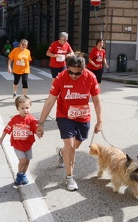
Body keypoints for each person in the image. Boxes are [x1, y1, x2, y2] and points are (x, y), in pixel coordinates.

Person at [36, 54, 103, 191]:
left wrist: (100, 121)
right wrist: (40, 123)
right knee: (71, 147)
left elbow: (97, 100)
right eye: (70, 71)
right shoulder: (61, 77)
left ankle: (61, 153)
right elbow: (50, 101)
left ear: (83, 70)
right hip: (64, 116)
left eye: (77, 73)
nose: (73, 75)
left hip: (83, 117)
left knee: (75, 146)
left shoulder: (90, 77)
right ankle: (69, 177)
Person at [0, 95, 42, 185]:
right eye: (22, 108)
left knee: (27, 161)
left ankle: (23, 175)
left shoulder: (32, 119)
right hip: (17, 145)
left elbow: (36, 128)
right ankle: (19, 174)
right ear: (17, 109)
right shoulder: (14, 119)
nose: (25, 110)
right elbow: (7, 129)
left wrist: (39, 133)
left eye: (27, 108)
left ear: (30, 107)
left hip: (28, 145)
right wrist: (1, 138)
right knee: (23, 160)